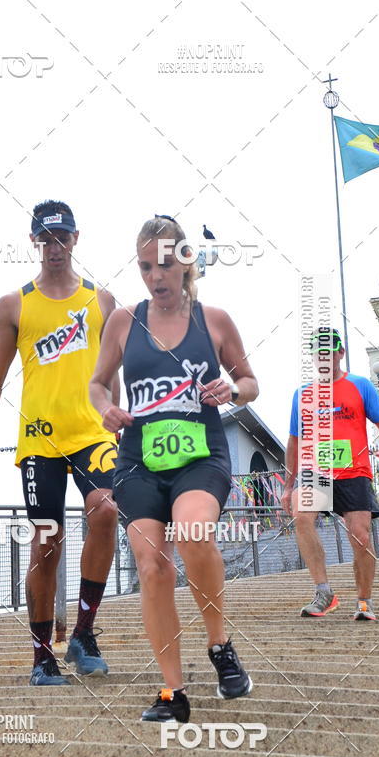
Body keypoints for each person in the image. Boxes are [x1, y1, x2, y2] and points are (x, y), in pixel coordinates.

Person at [89, 215, 258, 722]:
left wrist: (233, 389)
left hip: (200, 456)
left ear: (186, 261)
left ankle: (219, 644)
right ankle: (173, 692)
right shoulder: (123, 321)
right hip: (139, 460)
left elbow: (250, 380)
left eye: (164, 263)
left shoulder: (215, 321)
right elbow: (98, 383)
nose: (155, 277)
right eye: (145, 267)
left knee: (192, 531)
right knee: (151, 566)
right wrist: (105, 407)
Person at [0, 200, 119, 684]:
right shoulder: (14, 305)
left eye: (62, 237)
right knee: (47, 543)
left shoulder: (102, 301)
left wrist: (117, 419)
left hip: (92, 433)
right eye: (45, 239)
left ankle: (84, 633)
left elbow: (111, 375)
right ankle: (43, 656)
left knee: (106, 510)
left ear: (76, 238)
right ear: (33, 243)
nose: (55, 247)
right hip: (39, 441)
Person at [281, 327, 379, 621]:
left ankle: (364, 601)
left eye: (328, 353)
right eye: (317, 354)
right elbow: (294, 441)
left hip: (354, 471)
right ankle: (324, 592)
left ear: (340, 353)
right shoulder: (302, 395)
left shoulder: (360, 385)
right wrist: (288, 485)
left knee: (359, 535)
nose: (323, 359)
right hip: (315, 471)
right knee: (302, 515)